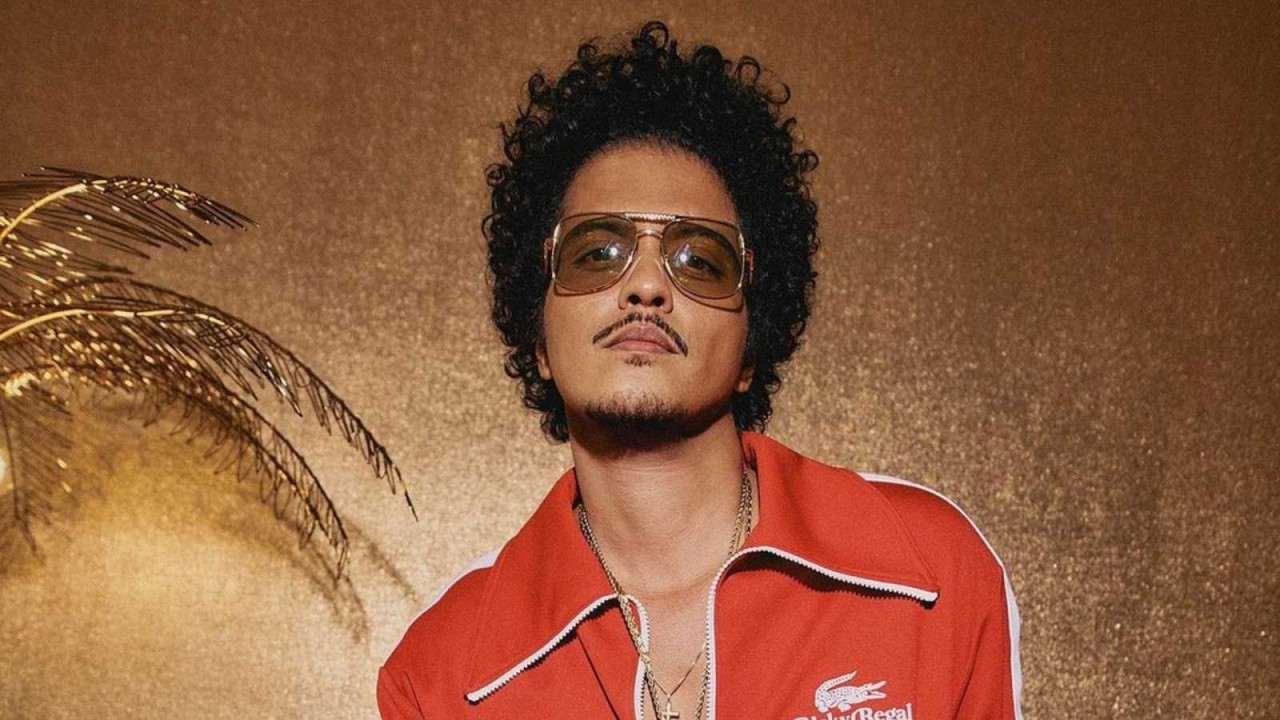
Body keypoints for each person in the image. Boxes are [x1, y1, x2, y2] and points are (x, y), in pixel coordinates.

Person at [378, 21, 1021, 720]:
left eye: (700, 261)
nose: (645, 286)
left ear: (750, 345)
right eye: (595, 253)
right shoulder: (441, 673)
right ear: (539, 338)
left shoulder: (928, 570)